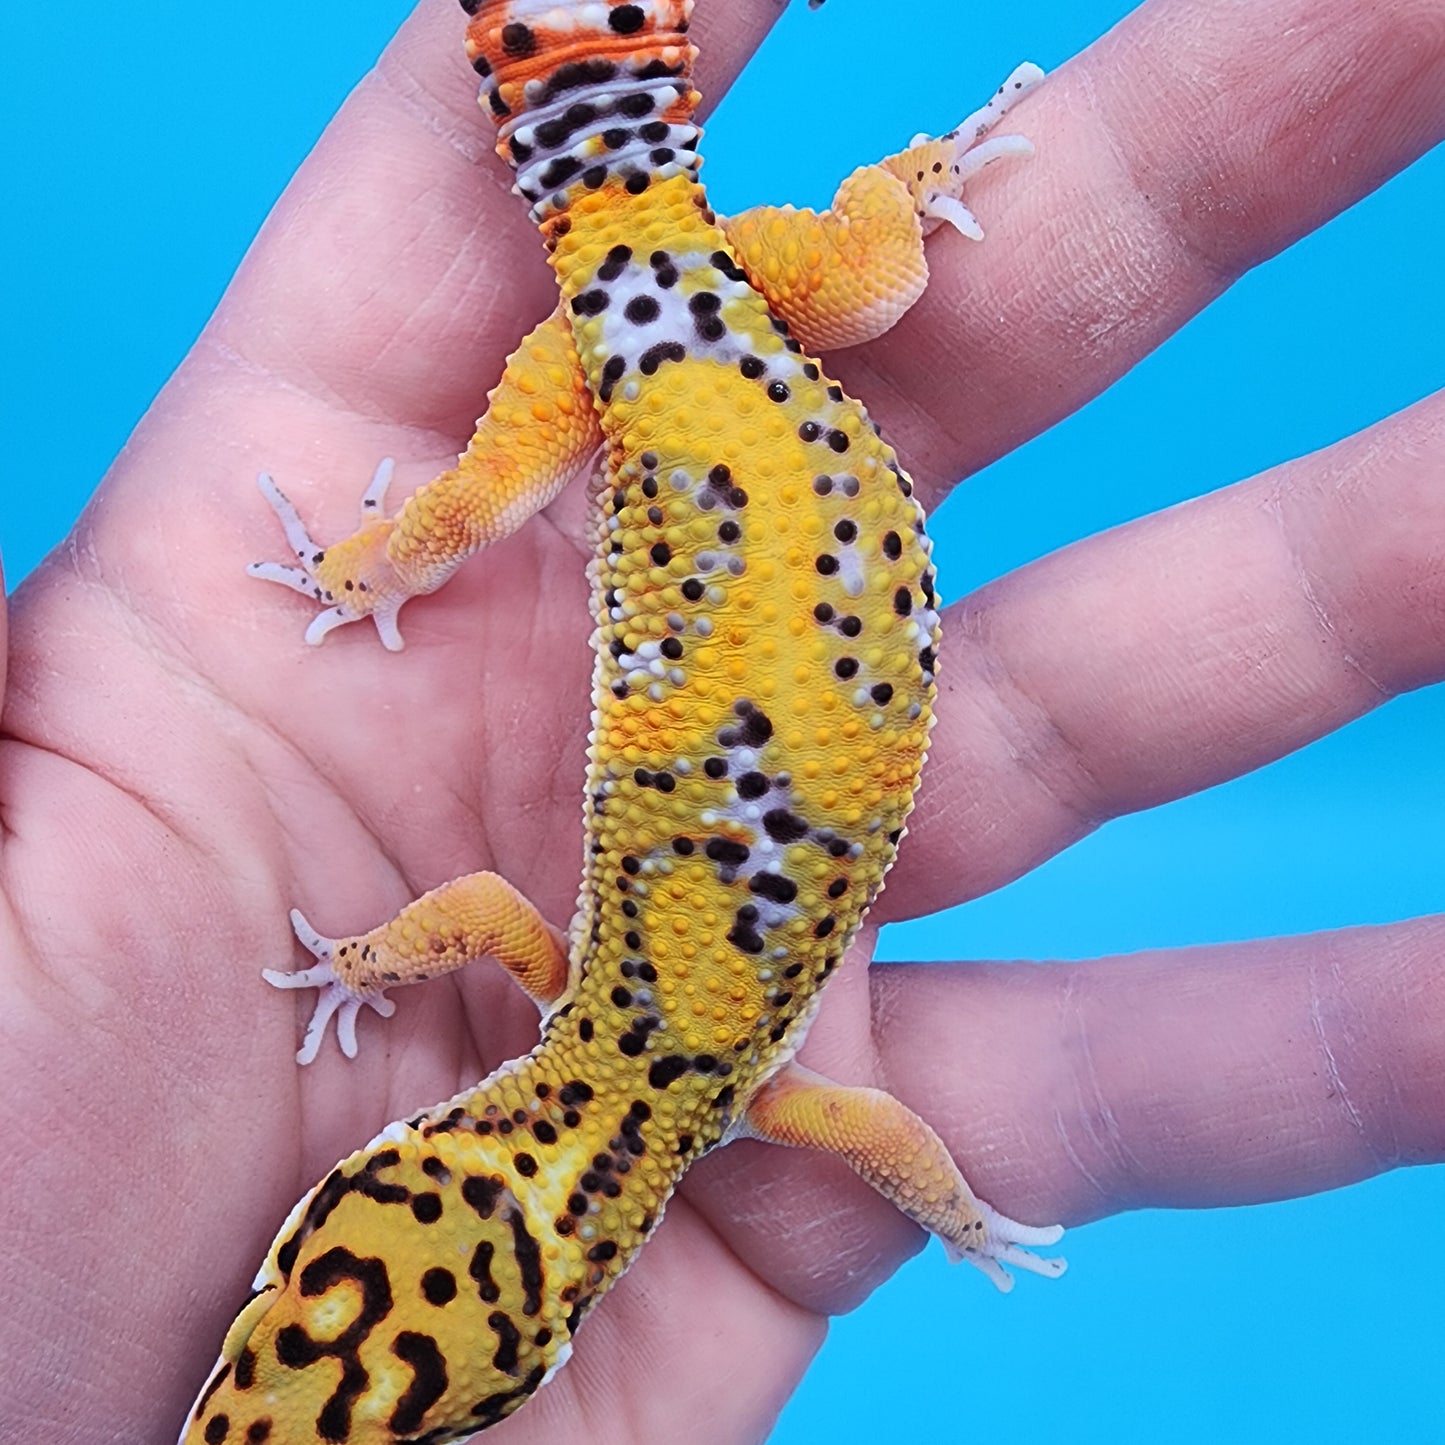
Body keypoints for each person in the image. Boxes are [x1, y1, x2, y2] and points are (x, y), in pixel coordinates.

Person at [3, 0, 1441, 1438]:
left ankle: (892, 192)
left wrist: (952, 1213)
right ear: (391, 1173)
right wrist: (363, 963)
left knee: (857, 297)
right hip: (685, 340)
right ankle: (880, 196)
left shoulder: (773, 1098)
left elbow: (882, 1135)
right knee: (864, 300)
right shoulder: (563, 990)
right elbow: (488, 917)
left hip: (677, 358)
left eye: (255, 1330)